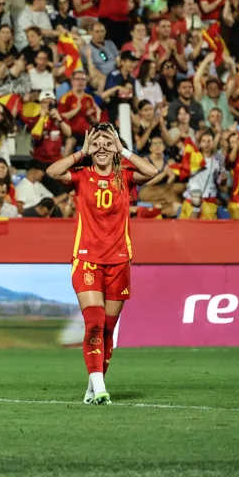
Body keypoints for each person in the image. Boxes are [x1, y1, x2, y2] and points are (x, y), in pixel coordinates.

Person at [45, 123, 158, 405]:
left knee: (108, 329)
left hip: (119, 261)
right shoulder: (81, 176)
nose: (103, 148)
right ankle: (101, 388)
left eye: (108, 142)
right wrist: (81, 152)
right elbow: (52, 172)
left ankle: (93, 386)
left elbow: (152, 171)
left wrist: (124, 150)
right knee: (94, 323)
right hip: (87, 260)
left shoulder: (126, 176)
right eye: (97, 142)